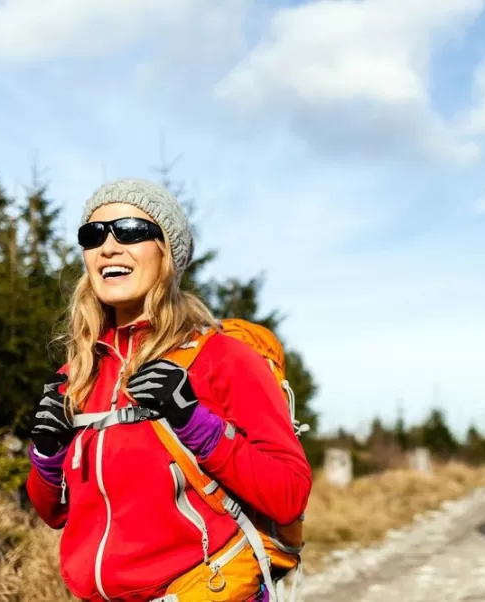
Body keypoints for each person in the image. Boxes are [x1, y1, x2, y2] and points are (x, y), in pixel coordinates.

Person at [24, 178, 312, 602]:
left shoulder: (222, 358)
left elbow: (288, 494)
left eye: (131, 231)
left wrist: (195, 423)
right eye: (93, 234)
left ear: (168, 253)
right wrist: (47, 458)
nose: (108, 247)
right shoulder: (78, 374)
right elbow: (55, 514)